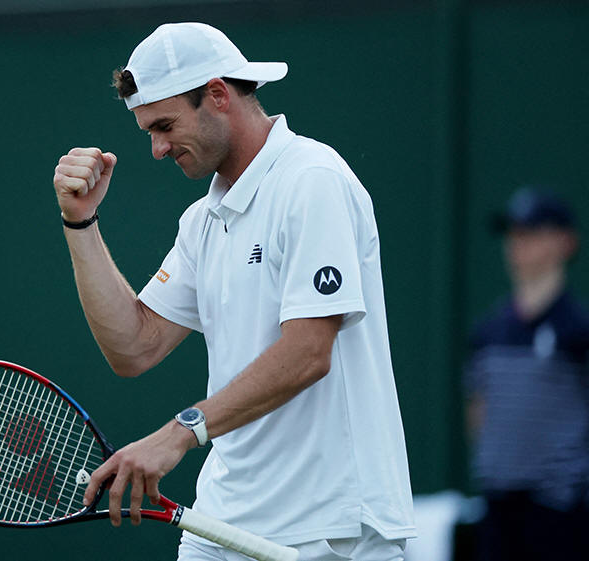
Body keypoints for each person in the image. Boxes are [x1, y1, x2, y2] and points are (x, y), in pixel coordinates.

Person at [52, 22, 415, 561]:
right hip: (221, 526)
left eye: (165, 126)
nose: (156, 149)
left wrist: (179, 433)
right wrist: (80, 222)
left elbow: (309, 352)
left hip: (330, 530)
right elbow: (134, 347)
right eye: (148, 131)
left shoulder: (312, 180)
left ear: (219, 95)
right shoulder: (202, 219)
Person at [464, 187, 589, 561]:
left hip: (561, 513)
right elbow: (478, 412)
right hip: (498, 509)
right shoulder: (488, 332)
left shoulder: (578, 330)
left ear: (564, 242)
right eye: (513, 234)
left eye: (531, 233)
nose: (518, 244)